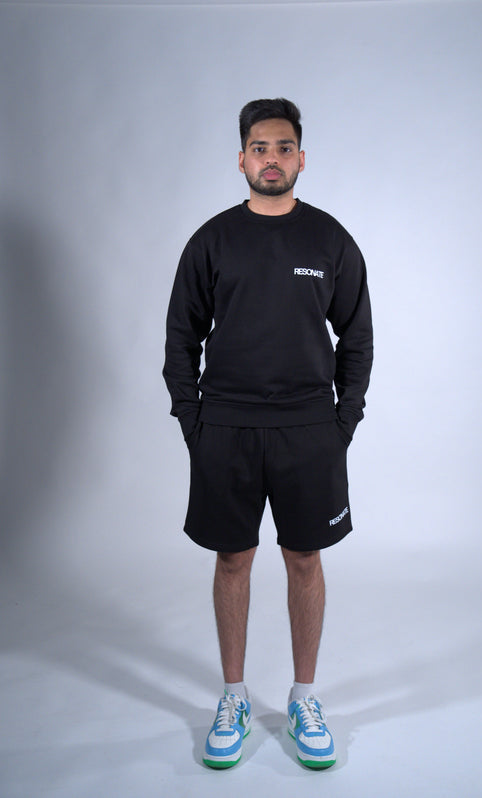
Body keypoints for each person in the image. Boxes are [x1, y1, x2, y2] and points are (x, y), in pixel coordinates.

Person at [163, 98, 373, 769]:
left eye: (283, 147)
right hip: (225, 425)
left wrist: (342, 422)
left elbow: (357, 338)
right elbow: (180, 337)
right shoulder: (212, 241)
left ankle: (304, 698)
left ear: (300, 158)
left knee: (304, 559)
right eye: (260, 147)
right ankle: (233, 697)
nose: (272, 159)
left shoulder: (330, 240)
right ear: (241, 159)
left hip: (308, 429)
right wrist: (194, 421)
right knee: (232, 559)